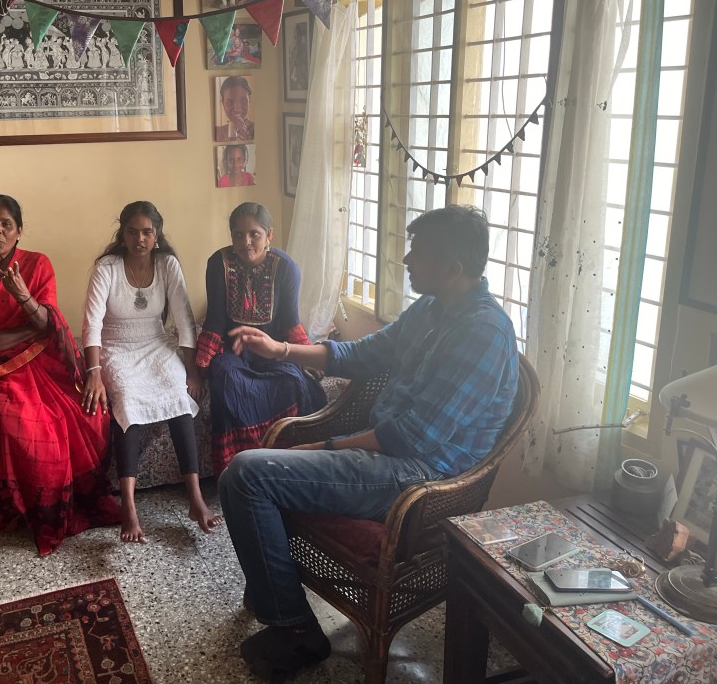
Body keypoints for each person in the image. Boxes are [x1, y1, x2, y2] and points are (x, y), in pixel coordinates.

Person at [219, 205, 519, 680]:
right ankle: (278, 601)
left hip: (421, 477)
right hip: (388, 454)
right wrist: (280, 350)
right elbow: (360, 355)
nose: (406, 259)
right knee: (248, 470)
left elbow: (412, 436)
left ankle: (295, 629)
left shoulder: (483, 334)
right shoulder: (431, 309)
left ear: (453, 269)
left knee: (247, 474)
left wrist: (324, 448)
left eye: (418, 252)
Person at [0, 194, 121, 556]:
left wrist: (23, 296)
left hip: (46, 360)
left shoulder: (37, 264)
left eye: (6, 225)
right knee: (16, 420)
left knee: (88, 410)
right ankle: (38, 511)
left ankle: (80, 499)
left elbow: (49, 323)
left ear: (19, 230)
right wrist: (32, 329)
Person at [82, 201, 222, 543]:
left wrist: (192, 370)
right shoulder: (107, 267)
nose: (140, 239)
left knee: (178, 392)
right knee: (127, 399)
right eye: (132, 232)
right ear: (123, 234)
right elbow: (92, 323)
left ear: (157, 234)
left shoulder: (167, 264)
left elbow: (185, 320)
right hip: (116, 346)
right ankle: (129, 508)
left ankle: (195, 498)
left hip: (157, 343)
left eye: (147, 232)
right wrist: (94, 371)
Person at [196, 202, 326, 475]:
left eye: (254, 234)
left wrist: (308, 357)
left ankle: (282, 463)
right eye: (238, 234)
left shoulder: (286, 268)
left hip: (273, 350)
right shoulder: (218, 264)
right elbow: (215, 321)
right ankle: (238, 468)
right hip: (233, 350)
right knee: (226, 378)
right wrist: (198, 369)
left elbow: (290, 322)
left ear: (269, 235)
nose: (246, 242)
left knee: (292, 382)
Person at [214, 76, 255, 142]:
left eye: (243, 100)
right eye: (230, 102)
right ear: (223, 103)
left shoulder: (259, 130)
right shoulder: (217, 132)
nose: (237, 108)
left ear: (249, 100)